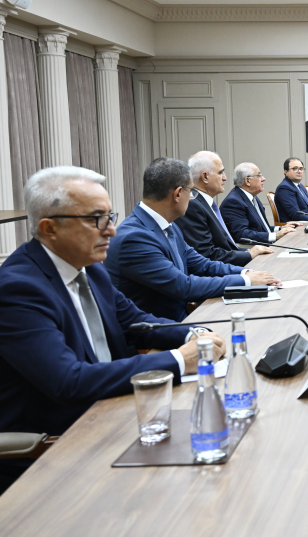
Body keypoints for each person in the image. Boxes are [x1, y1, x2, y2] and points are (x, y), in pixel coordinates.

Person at [0, 166, 227, 493]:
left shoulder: (90, 268)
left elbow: (138, 323)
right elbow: (70, 382)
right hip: (59, 446)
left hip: (116, 413)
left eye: (110, 216)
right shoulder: (18, 290)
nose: (111, 230)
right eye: (97, 219)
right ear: (49, 228)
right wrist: (180, 359)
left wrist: (194, 335)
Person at [106, 158, 281, 322]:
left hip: (183, 317)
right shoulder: (134, 238)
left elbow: (202, 264)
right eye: (191, 192)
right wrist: (246, 281)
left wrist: (246, 273)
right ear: (178, 194)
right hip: (160, 329)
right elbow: (183, 286)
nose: (192, 199)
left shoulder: (169, 226)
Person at [175, 151, 273, 267]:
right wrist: (249, 255)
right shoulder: (193, 205)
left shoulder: (204, 203)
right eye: (221, 172)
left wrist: (250, 251)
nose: (225, 178)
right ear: (205, 177)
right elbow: (206, 254)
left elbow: (226, 247)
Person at [220, 163, 299, 244]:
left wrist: (281, 228)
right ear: (248, 181)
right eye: (259, 175)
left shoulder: (252, 197)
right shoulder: (233, 202)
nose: (263, 179)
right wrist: (276, 236)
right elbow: (242, 234)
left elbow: (261, 228)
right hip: (254, 249)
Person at [274, 157, 308, 223]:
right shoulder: (284, 188)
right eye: (295, 168)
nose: (299, 171)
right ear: (286, 171)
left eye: (301, 168)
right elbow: (296, 215)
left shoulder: (300, 186)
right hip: (298, 226)